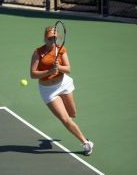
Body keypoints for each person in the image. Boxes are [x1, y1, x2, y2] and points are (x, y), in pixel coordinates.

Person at [30, 26, 94, 155]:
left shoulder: (61, 50)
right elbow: (32, 74)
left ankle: (67, 126)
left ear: (57, 38)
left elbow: (68, 69)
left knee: (72, 114)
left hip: (63, 84)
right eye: (49, 38)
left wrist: (59, 68)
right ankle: (86, 143)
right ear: (45, 38)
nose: (52, 41)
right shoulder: (38, 52)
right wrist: (49, 71)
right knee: (65, 119)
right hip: (48, 90)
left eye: (54, 38)